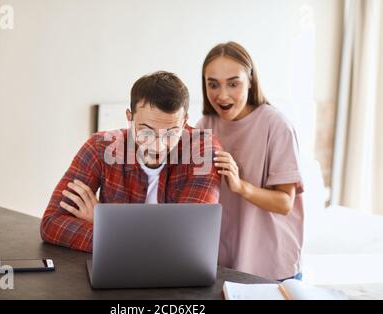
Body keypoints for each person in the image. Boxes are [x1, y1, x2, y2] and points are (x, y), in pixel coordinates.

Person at [41, 71, 221, 252]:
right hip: (116, 275)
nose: (158, 146)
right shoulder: (100, 147)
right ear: (129, 117)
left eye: (171, 133)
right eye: (146, 131)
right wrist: (148, 242)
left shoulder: (203, 151)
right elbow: (52, 224)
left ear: (184, 122)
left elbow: (187, 241)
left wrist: (107, 223)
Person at [196, 42, 304, 281]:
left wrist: (240, 186)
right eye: (213, 84)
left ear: (251, 80)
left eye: (233, 83)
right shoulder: (205, 126)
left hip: (272, 268)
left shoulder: (277, 126)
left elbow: (285, 202)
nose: (221, 95)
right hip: (222, 264)